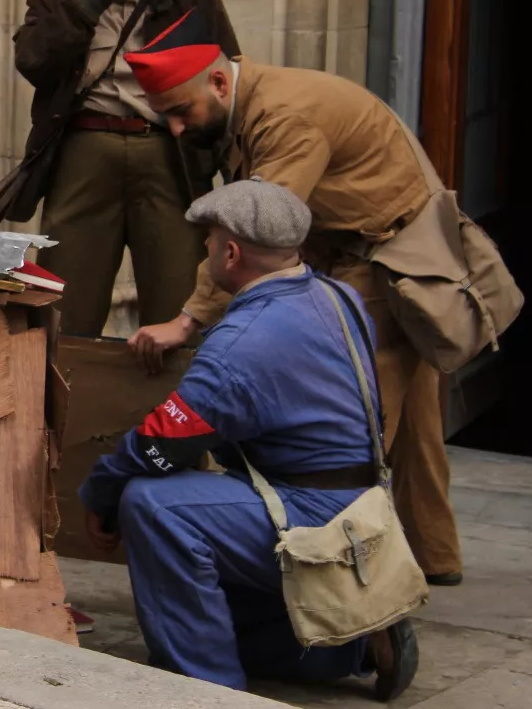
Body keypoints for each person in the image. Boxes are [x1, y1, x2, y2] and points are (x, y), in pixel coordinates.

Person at [121, 9, 462, 585]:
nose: (176, 129)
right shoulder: (248, 104)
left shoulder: (285, 116)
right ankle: (436, 556)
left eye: (181, 112)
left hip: (384, 261)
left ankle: (358, 581)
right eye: (166, 117)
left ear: (220, 83)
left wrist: (189, 319)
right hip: (366, 253)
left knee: (354, 427)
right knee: (413, 415)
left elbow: (249, 234)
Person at [82, 178, 419, 698]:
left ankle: (207, 688)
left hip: (307, 514)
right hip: (361, 506)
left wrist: (100, 498)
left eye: (210, 241)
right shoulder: (339, 296)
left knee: (154, 504)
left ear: (232, 252)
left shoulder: (242, 343)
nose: (207, 250)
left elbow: (162, 443)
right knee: (218, 608)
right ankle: (353, 646)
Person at [12, 0, 240, 337]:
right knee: (64, 303)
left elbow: (229, 78)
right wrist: (94, 0)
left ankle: (167, 409)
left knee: (178, 297)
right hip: (85, 149)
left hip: (168, 152)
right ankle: (61, 403)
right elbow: (33, 61)